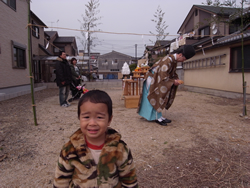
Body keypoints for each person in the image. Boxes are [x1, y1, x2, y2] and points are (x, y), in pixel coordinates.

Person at [53, 90, 138, 188]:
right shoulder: (70, 149)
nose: (92, 123)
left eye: (99, 117)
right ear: (79, 118)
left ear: (109, 119)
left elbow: (129, 179)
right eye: (86, 117)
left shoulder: (119, 149)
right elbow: (61, 179)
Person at [137, 45, 196, 126]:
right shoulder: (168, 60)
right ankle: (157, 118)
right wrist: (173, 81)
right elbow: (163, 76)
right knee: (156, 96)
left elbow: (172, 73)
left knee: (158, 96)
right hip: (153, 78)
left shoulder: (173, 60)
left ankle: (158, 116)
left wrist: (176, 79)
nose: (183, 61)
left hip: (157, 77)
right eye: (184, 59)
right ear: (180, 55)